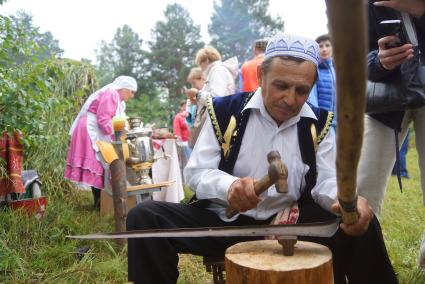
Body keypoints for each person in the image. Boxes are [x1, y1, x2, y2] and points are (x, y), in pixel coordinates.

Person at [126, 34, 397, 284]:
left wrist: (341, 201)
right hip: (222, 224)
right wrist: (229, 187)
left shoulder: (319, 124)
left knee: (361, 221)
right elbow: (197, 173)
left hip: (289, 224)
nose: (290, 99)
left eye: (301, 90)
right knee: (145, 217)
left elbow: (325, 181)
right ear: (261, 75)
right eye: (281, 86)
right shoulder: (224, 112)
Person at [357, 0, 425, 268]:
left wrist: (420, 11)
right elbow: (352, 58)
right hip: (384, 103)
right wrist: (379, 61)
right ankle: (361, 261)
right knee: (364, 185)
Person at [64, 76, 137, 209]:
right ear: (124, 89)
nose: (132, 96)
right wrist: (117, 135)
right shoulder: (111, 94)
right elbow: (103, 119)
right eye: (132, 92)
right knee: (99, 164)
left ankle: (100, 203)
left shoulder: (117, 98)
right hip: (89, 129)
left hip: (95, 128)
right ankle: (99, 204)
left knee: (102, 165)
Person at [185, 46, 238, 148]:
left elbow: (217, 98)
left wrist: (197, 94)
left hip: (217, 126)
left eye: (200, 63)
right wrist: (196, 100)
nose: (200, 68)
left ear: (206, 60)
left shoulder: (217, 70)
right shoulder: (217, 71)